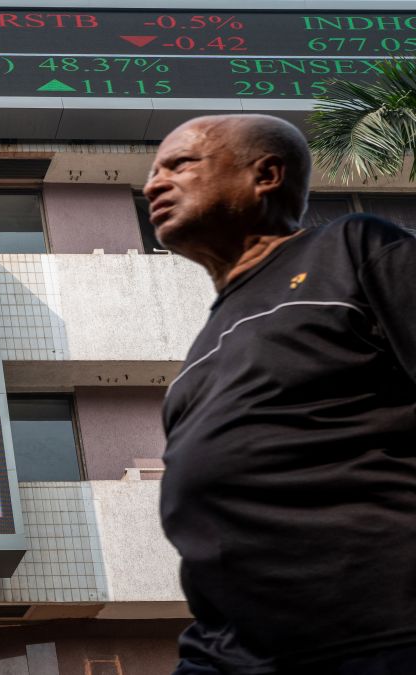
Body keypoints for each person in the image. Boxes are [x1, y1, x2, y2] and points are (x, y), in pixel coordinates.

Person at [147, 114, 416, 674]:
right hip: (234, 651)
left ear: (265, 174)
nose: (153, 183)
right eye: (154, 172)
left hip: (380, 632)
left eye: (180, 164)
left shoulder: (355, 247)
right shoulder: (201, 348)